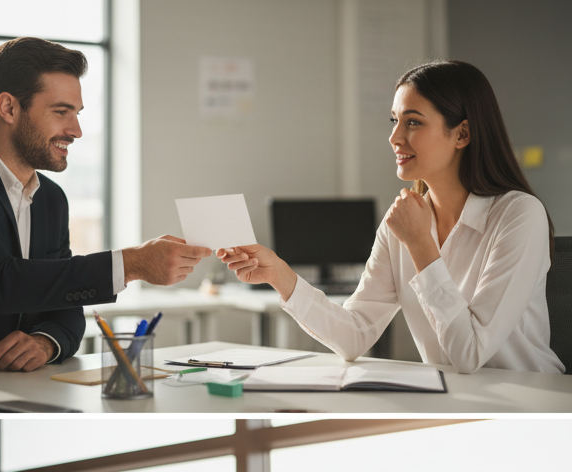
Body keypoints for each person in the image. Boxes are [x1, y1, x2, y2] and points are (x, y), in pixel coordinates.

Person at [218, 60, 562, 374]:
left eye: (413, 122)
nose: (395, 137)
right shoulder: (403, 220)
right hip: (454, 400)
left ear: (462, 134)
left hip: (530, 400)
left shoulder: (518, 215)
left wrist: (420, 244)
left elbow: (471, 354)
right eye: (395, 121)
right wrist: (280, 275)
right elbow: (355, 334)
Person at [0, 37, 212, 373]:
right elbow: (1, 282)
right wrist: (130, 264)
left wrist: (46, 342)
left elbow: (66, 308)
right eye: (61, 112)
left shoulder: (51, 199)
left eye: (76, 113)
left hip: (24, 388)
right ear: (9, 108)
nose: (75, 130)